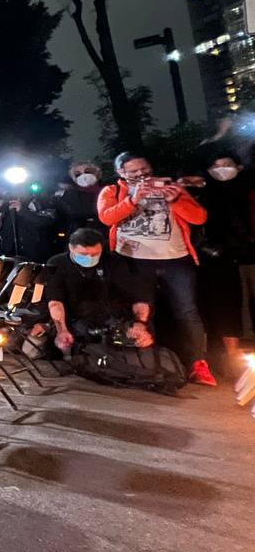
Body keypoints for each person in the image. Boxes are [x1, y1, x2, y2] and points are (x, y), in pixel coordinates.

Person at [98, 152, 213, 385]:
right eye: (133, 171)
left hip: (175, 259)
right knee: (142, 311)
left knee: (187, 311)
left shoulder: (172, 187)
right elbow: (106, 217)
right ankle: (146, 362)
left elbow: (200, 218)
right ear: (121, 172)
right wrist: (132, 200)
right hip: (134, 260)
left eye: (144, 169)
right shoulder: (112, 191)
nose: (141, 174)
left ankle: (198, 365)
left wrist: (175, 200)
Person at [43, 228, 154, 356]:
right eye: (83, 254)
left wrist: (140, 324)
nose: (89, 258)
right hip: (77, 317)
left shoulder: (114, 262)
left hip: (113, 315)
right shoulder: (57, 263)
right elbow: (55, 301)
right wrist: (61, 331)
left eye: (95, 254)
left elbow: (137, 296)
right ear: (71, 248)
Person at [196, 148, 254, 372]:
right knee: (228, 306)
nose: (221, 170)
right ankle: (233, 355)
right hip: (220, 258)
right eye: (216, 166)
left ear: (239, 166)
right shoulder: (208, 193)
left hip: (249, 254)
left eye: (226, 164)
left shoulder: (249, 188)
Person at [56, 161, 106, 239]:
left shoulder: (108, 191)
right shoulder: (68, 195)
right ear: (74, 179)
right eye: (78, 174)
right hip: (78, 237)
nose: (84, 176)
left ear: (97, 173)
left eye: (88, 171)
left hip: (105, 236)